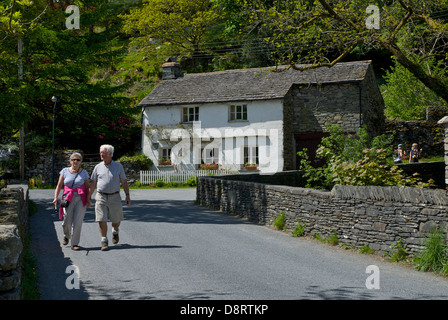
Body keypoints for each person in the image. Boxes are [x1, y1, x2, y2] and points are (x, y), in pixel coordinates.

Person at [88, 144, 131, 251]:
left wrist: (127, 196)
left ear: (110, 154)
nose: (101, 154)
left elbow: (124, 181)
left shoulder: (118, 166)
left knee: (116, 220)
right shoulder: (97, 167)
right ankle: (104, 240)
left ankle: (115, 230)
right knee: (101, 219)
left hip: (115, 196)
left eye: (104, 152)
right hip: (101, 196)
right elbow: (93, 183)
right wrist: (88, 197)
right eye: (100, 152)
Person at [53, 152, 90, 250]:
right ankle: (67, 235)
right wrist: (55, 197)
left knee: (78, 221)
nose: (76, 161)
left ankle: (75, 243)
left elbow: (87, 187)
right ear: (70, 161)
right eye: (74, 159)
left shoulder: (84, 173)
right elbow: (59, 185)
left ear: (80, 162)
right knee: (66, 220)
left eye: (78, 160)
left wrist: (89, 199)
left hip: (80, 198)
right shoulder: (64, 171)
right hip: (67, 197)